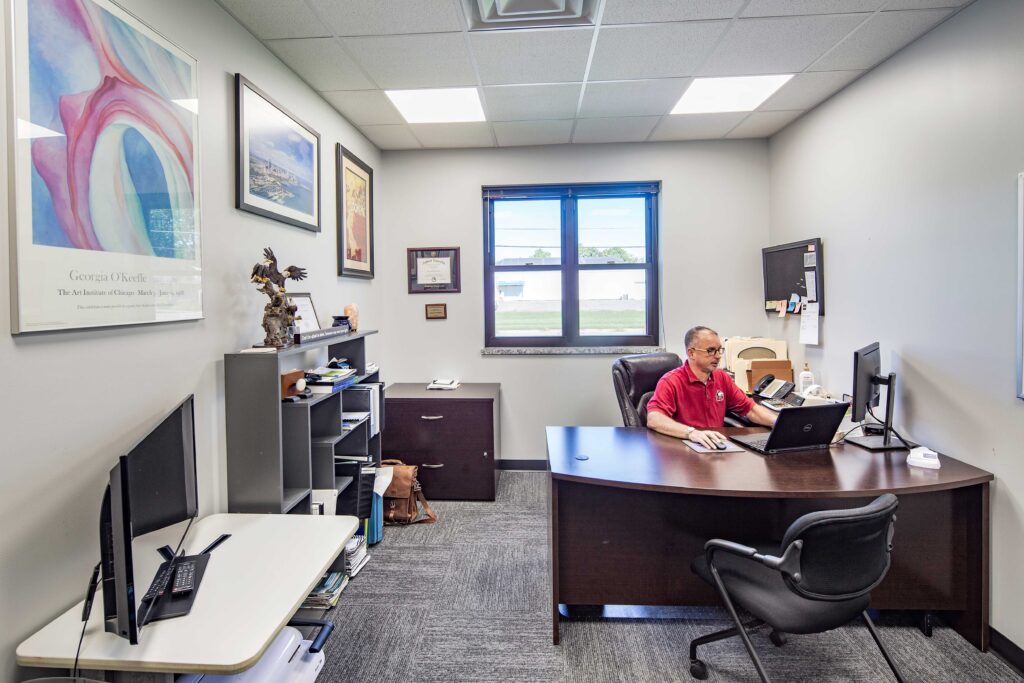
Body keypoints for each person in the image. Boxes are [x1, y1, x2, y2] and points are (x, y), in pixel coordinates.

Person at [646, 326, 778, 448]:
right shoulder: (671, 381)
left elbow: (750, 409)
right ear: (691, 353)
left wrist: (778, 421)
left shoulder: (722, 377)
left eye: (719, 350)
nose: (718, 356)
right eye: (711, 351)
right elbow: (654, 419)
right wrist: (691, 433)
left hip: (716, 445)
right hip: (684, 446)